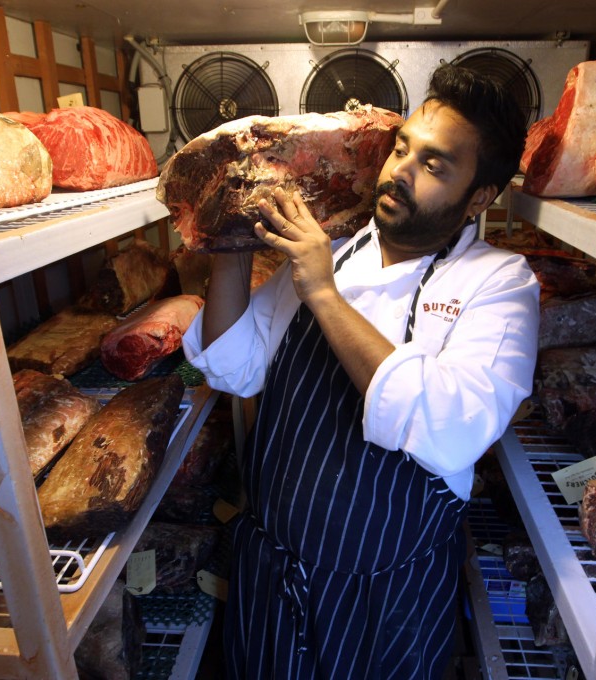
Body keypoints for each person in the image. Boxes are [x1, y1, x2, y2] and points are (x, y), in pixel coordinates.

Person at [182, 63, 540, 680]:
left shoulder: (498, 283)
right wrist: (231, 237)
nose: (400, 169)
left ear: (481, 195)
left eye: (434, 165)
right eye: (402, 148)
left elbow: (451, 430)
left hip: (388, 594)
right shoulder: (332, 247)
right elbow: (235, 366)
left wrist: (323, 292)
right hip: (275, 569)